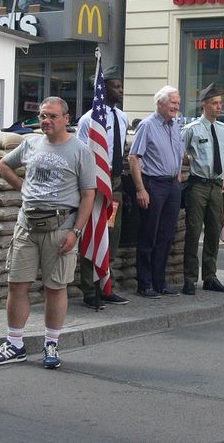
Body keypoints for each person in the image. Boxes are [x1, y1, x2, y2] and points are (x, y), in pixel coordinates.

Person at [0, 97, 96, 369]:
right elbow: (3, 165)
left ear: (66, 118)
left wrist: (76, 232)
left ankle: (51, 343)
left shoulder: (81, 151)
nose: (46, 121)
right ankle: (14, 343)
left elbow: (88, 195)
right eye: (43, 116)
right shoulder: (30, 143)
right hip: (27, 226)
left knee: (55, 288)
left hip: (60, 229)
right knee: (17, 284)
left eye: (52, 116)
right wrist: (22, 187)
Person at [181, 83, 224, 295]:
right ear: (204, 105)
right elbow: (176, 153)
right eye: (215, 103)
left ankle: (210, 276)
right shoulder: (191, 130)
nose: (219, 107)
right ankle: (190, 278)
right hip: (198, 185)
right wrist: (188, 161)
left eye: (221, 103)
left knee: (212, 232)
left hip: (217, 186)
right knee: (192, 232)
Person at [76, 65, 130, 309]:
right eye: (115, 86)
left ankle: (106, 286)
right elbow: (80, 152)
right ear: (103, 89)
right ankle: (90, 289)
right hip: (95, 183)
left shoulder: (122, 117)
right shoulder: (89, 119)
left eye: (120, 86)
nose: (120, 90)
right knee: (93, 234)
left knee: (111, 234)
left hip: (114, 185)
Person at [128, 86, 185, 298]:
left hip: (171, 186)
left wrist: (177, 179)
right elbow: (134, 158)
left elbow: (178, 155)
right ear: (160, 103)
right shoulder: (147, 125)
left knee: (166, 236)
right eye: (173, 103)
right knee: (148, 234)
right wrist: (140, 188)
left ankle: (160, 282)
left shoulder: (176, 126)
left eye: (178, 103)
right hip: (153, 185)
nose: (176, 107)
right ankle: (145, 284)